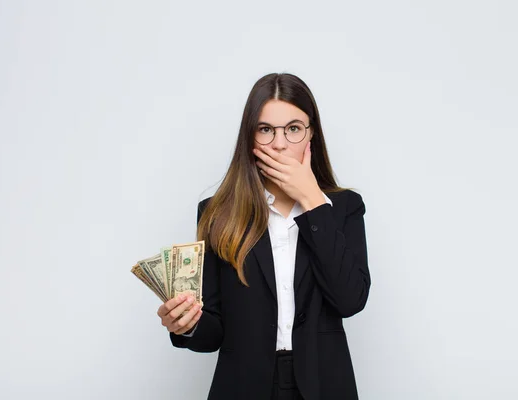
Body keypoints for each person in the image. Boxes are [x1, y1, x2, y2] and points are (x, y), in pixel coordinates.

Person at [156, 72, 371, 400]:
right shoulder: (216, 213)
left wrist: (312, 200)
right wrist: (187, 325)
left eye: (293, 129)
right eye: (266, 129)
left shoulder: (342, 208)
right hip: (243, 387)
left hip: (324, 385)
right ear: (250, 137)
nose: (280, 143)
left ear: (311, 135)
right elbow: (213, 332)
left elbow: (350, 300)